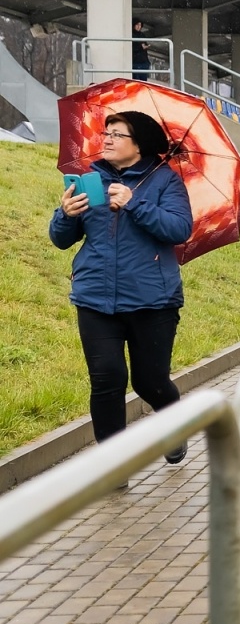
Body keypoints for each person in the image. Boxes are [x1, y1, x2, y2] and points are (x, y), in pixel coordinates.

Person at [50, 110, 195, 479]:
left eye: (117, 134)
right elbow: (61, 239)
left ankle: (174, 427)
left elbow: (179, 229)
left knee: (149, 381)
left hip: (153, 302)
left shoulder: (165, 182)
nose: (107, 139)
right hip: (95, 298)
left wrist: (134, 202)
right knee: (107, 378)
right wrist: (66, 214)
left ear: (139, 144)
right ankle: (113, 467)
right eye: (106, 132)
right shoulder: (90, 180)